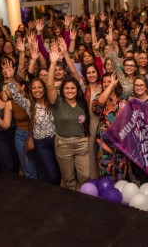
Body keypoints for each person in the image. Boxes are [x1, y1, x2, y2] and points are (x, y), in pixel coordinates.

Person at [47, 47, 90, 190]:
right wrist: (53, 63)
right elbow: (49, 85)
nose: (70, 91)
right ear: (62, 90)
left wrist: (66, 54)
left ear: (77, 89)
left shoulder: (81, 101)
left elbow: (75, 75)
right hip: (63, 144)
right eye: (67, 88)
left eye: (72, 88)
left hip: (81, 143)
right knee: (69, 179)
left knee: (85, 176)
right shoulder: (57, 101)